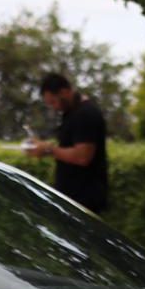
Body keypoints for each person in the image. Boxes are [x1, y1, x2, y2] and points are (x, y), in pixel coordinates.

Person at [26, 72, 108, 214]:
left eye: (53, 102)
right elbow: (68, 148)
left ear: (64, 92)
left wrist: (48, 150)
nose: (54, 107)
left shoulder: (85, 114)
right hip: (71, 197)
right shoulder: (71, 113)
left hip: (84, 198)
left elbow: (82, 156)